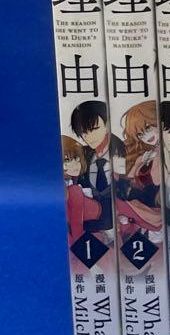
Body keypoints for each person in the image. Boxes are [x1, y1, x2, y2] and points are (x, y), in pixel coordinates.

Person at [69, 100, 122, 233]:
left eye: (94, 129)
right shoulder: (83, 153)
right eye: (83, 132)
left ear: (107, 124)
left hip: (118, 218)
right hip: (89, 219)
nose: (89, 137)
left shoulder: (123, 150)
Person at [117, 100, 164, 237]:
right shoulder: (145, 153)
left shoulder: (166, 152)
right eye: (140, 134)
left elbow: (156, 180)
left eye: (148, 128)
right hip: (137, 202)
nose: (146, 137)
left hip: (153, 207)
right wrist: (137, 164)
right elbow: (129, 181)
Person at [62, 135, 101, 243]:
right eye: (67, 160)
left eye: (76, 158)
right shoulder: (72, 190)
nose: (75, 164)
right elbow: (76, 226)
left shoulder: (74, 182)